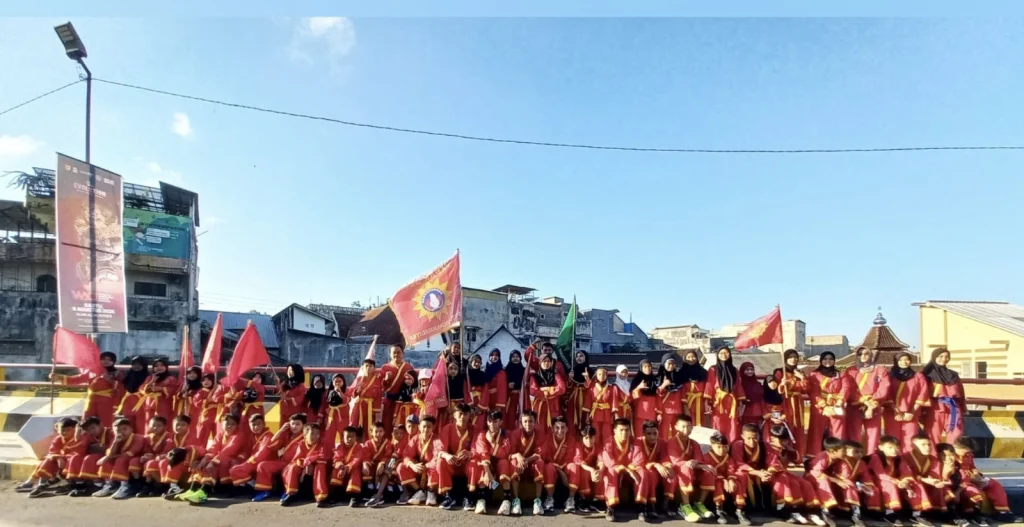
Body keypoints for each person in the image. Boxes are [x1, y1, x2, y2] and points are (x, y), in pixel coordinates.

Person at [179, 413, 249, 504]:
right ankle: (193, 489)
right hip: (222, 458)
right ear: (222, 424)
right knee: (201, 463)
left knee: (214, 465)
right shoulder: (220, 435)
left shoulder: (239, 436)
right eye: (227, 423)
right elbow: (213, 449)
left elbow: (228, 451)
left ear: (237, 426)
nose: (229, 426)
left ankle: (203, 492)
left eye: (233, 424)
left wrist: (212, 462)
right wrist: (204, 460)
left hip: (235, 460)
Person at [765, 424, 823, 525]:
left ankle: (810, 511)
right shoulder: (767, 447)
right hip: (773, 474)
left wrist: (790, 449)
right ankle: (788, 510)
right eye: (781, 440)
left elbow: (799, 461)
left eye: (785, 440)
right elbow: (772, 465)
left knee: (805, 483)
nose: (784, 442)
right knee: (792, 483)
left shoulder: (787, 448)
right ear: (772, 438)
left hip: (785, 473)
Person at [953, 437, 1021, 523]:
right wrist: (972, 480)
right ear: (957, 448)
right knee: (972, 491)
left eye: (969, 452)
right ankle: (974, 514)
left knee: (994, 484)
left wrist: (978, 476)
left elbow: (972, 467)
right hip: (961, 481)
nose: (968, 454)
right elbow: (953, 473)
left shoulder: (968, 455)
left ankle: (1002, 511)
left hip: (972, 478)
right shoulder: (951, 456)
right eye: (966, 451)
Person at [17, 418, 88, 497]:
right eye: (62, 430)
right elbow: (53, 451)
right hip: (62, 461)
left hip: (75, 462)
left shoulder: (82, 437)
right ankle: (41, 486)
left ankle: (74, 485)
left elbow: (79, 452)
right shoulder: (58, 439)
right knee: (48, 461)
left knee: (73, 461)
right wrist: (58, 458)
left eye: (68, 430)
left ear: (75, 429)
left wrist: (63, 458)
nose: (64, 432)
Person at [236, 413, 304, 493]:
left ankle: (290, 493)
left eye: (298, 424)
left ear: (303, 425)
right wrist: (281, 430)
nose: (294, 426)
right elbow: (271, 445)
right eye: (292, 424)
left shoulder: (305, 437)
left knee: (291, 468)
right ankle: (265, 490)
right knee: (262, 465)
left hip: (296, 463)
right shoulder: (287, 435)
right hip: (284, 462)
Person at [55, 351, 121, 429]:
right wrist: (58, 378)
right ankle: (86, 440)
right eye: (104, 359)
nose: (106, 361)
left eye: (109, 360)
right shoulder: (92, 371)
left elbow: (120, 390)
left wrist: (116, 405)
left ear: (113, 362)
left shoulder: (117, 374)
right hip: (91, 400)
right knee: (86, 422)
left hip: (107, 402)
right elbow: (78, 379)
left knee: (106, 424)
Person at [844, 347, 891, 455]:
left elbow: (884, 387)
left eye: (866, 353)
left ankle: (872, 458)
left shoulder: (880, 370)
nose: (863, 356)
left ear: (871, 355)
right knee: (854, 433)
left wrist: (871, 404)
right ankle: (854, 458)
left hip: (874, 405)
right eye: (860, 354)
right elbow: (848, 388)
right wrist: (862, 400)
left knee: (874, 433)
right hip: (855, 405)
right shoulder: (851, 370)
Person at [667, 414, 711, 522]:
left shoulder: (694, 443)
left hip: (691, 468)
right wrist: (691, 463)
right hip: (677, 471)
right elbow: (676, 462)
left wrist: (696, 462)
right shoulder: (671, 441)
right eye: (683, 426)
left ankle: (699, 504)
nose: (686, 429)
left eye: (688, 426)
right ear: (676, 427)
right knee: (686, 468)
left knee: (708, 470)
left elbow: (698, 458)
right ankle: (685, 506)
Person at [434, 402, 477, 511]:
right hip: (452, 463)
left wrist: (470, 453)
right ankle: (448, 496)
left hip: (466, 464)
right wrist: (447, 455)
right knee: (441, 461)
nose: (463, 417)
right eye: (460, 414)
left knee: (475, 462)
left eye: (466, 414)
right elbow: (439, 449)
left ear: (469, 415)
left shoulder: (474, 429)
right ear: (454, 415)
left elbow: (479, 448)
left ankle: (469, 496)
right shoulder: (447, 428)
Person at [601, 417, 644, 523]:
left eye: (627, 430)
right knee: (610, 472)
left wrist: (629, 470)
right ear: (615, 431)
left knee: (643, 472)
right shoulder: (609, 441)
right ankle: (611, 507)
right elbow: (609, 462)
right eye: (621, 430)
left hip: (630, 472)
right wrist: (624, 469)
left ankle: (641, 506)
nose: (624, 433)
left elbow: (639, 459)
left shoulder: (634, 441)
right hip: (618, 471)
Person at [705, 432, 752, 526]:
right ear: (712, 446)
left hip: (726, 479)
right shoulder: (707, 457)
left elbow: (731, 470)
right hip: (715, 479)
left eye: (724, 446)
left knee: (737, 484)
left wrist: (730, 480)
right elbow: (710, 472)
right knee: (718, 484)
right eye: (718, 447)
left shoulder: (729, 458)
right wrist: (724, 480)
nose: (722, 449)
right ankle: (718, 509)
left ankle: (739, 510)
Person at [470, 410, 513, 515]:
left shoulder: (506, 434)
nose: (492, 424)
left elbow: (505, 453)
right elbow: (482, 453)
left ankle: (507, 500)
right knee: (480, 463)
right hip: (487, 464)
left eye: (495, 421)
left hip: (499, 462)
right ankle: (481, 500)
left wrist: (492, 442)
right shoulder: (481, 434)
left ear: (500, 422)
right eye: (490, 421)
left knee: (504, 462)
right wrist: (488, 473)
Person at [807, 352, 849, 456]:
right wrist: (824, 406)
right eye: (825, 359)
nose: (828, 361)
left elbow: (846, 388)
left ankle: (837, 455)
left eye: (830, 359)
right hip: (819, 407)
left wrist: (839, 403)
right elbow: (813, 392)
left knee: (838, 431)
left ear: (834, 361)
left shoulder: (841, 374)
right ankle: (814, 456)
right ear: (821, 361)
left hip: (836, 405)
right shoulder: (814, 375)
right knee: (816, 432)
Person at [921, 348, 966, 446]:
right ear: (934, 357)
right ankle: (934, 459)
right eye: (940, 356)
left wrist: (963, 408)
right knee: (932, 434)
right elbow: (921, 392)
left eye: (946, 357)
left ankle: (952, 458)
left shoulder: (953, 375)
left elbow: (961, 393)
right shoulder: (926, 374)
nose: (944, 359)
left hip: (953, 408)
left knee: (956, 434)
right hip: (935, 407)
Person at [93, 417, 146, 499]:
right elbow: (110, 453)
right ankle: (110, 485)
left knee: (119, 460)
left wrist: (109, 457)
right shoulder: (116, 439)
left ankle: (125, 486)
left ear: (131, 429)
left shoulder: (138, 438)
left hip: (137, 459)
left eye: (124, 429)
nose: (121, 432)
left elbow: (130, 453)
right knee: (108, 461)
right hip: (123, 458)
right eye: (117, 430)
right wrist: (115, 443)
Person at [886, 352, 929, 452]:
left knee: (910, 439)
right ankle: (894, 464)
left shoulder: (918, 376)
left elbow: (923, 394)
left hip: (912, 413)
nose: (904, 362)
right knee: (893, 440)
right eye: (900, 360)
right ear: (896, 362)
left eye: (907, 359)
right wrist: (896, 411)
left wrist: (912, 412)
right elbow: (887, 394)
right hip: (892, 413)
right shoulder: (889, 376)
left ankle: (908, 464)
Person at [900, 433, 945, 527]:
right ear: (913, 446)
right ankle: (917, 514)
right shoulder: (905, 457)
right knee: (917, 485)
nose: (927, 447)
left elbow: (935, 474)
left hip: (926, 483)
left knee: (941, 487)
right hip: (908, 484)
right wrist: (923, 479)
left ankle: (933, 513)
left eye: (929, 444)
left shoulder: (933, 459)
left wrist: (934, 481)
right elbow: (907, 474)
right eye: (923, 445)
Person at [635, 419, 675, 521]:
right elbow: (639, 462)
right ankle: (642, 506)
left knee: (671, 474)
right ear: (643, 433)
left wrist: (668, 467)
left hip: (655, 470)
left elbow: (665, 458)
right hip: (639, 469)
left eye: (655, 433)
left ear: (658, 432)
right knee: (647, 474)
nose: (652, 436)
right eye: (648, 434)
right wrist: (656, 464)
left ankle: (666, 505)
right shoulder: (638, 441)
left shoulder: (662, 442)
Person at [277, 422, 326, 507]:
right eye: (312, 433)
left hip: (316, 465)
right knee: (292, 467)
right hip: (305, 466)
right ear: (305, 435)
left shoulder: (322, 444)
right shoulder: (301, 444)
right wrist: (305, 465)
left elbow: (322, 456)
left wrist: (309, 462)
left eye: (317, 433)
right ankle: (291, 493)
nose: (315, 436)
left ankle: (320, 497)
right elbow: (297, 458)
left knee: (320, 466)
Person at [804, 436, 849, 527]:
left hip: (826, 478)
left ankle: (843, 509)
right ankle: (825, 511)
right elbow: (816, 472)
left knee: (843, 484)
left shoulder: (839, 459)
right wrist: (836, 480)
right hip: (813, 478)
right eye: (843, 451)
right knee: (823, 481)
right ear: (833, 451)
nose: (845, 453)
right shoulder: (823, 456)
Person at [508, 410, 546, 516]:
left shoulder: (540, 434)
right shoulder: (515, 434)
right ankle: (516, 500)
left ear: (535, 422)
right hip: (519, 464)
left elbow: (539, 453)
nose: (527, 424)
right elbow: (511, 453)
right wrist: (518, 456)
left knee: (540, 462)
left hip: (531, 463)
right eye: (525, 422)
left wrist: (526, 460)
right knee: (514, 462)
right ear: (521, 422)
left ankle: (538, 500)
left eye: (530, 421)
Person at [704, 347, 746, 441]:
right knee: (718, 422)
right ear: (717, 355)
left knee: (732, 424)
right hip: (718, 401)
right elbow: (709, 385)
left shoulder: (734, 370)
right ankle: (718, 444)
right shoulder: (713, 369)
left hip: (732, 402)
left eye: (726, 352)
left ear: (730, 355)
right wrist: (707, 402)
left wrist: (741, 403)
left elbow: (738, 386)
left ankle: (731, 444)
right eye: (721, 353)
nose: (724, 355)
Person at [156, 414, 202, 499]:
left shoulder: (192, 437)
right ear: (173, 425)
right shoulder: (171, 438)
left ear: (188, 426)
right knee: (163, 462)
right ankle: (168, 486)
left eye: (182, 425)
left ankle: (175, 488)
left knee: (173, 464)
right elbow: (167, 452)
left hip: (189, 461)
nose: (179, 427)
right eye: (177, 425)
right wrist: (162, 456)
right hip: (175, 460)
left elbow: (194, 452)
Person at [833, 441, 877, 527]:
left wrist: (866, 485)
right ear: (846, 451)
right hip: (840, 485)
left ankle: (873, 512)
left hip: (854, 484)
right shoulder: (842, 461)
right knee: (850, 489)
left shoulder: (861, 463)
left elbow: (866, 476)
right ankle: (856, 514)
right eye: (856, 452)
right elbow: (842, 476)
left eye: (861, 452)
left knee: (874, 490)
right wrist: (856, 485)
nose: (860, 454)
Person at [398, 415, 439, 507]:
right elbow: (406, 455)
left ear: (433, 428)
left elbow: (438, 456)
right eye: (424, 426)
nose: (426, 429)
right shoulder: (415, 438)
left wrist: (427, 465)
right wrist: (413, 465)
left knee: (438, 464)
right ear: (419, 427)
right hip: (419, 469)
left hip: (430, 469)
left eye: (429, 427)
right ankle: (420, 491)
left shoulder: (437, 439)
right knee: (401, 466)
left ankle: (431, 492)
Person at [130, 415, 174, 498]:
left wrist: (153, 457)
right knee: (134, 461)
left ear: (165, 427)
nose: (155, 428)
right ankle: (139, 485)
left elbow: (167, 451)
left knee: (150, 463)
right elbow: (145, 450)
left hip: (162, 458)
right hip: (151, 458)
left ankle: (159, 486)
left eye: (158, 426)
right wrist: (145, 456)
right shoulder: (147, 437)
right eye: (153, 425)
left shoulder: (169, 436)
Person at [66, 416, 110, 497]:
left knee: (90, 458)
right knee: (75, 458)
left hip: (109, 456)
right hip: (96, 455)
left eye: (93, 428)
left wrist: (103, 449)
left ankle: (98, 485)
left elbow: (114, 447)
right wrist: (77, 436)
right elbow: (81, 449)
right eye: (88, 430)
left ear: (100, 424)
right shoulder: (88, 435)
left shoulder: (110, 432)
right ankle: (80, 484)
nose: (91, 431)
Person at [870, 435, 909, 526]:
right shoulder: (876, 457)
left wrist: (904, 481)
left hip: (892, 481)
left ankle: (916, 513)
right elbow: (880, 474)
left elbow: (906, 471)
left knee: (912, 485)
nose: (894, 450)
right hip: (875, 481)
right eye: (890, 447)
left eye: (896, 447)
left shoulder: (898, 458)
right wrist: (896, 481)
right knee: (888, 484)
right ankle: (889, 512)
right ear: (881, 447)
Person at [541, 416, 577, 514]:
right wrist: (560, 472)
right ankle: (549, 498)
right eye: (557, 427)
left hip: (565, 466)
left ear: (567, 429)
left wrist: (562, 470)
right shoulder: (547, 439)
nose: (560, 430)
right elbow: (546, 457)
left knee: (574, 467)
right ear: (552, 428)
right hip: (553, 467)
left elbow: (570, 457)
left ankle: (571, 500)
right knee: (548, 467)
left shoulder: (571, 439)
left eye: (563, 427)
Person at [328, 425, 367, 507]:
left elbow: (357, 460)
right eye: (347, 437)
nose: (350, 439)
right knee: (336, 470)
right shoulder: (340, 447)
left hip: (352, 469)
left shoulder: (359, 447)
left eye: (352, 437)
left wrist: (347, 467)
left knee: (356, 471)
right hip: (342, 469)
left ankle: (354, 497)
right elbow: (337, 459)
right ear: (343, 437)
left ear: (356, 437)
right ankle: (336, 494)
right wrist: (341, 467)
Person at [779, 349, 808, 457]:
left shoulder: (800, 372)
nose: (793, 359)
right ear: (786, 358)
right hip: (785, 401)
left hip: (797, 402)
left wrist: (802, 378)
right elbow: (777, 388)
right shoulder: (780, 371)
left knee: (798, 427)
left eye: (795, 357)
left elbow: (806, 389)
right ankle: (785, 455)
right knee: (787, 425)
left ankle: (798, 455)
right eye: (790, 357)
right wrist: (783, 384)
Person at [381, 344, 415, 435]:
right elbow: (381, 386)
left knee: (402, 423)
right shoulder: (385, 367)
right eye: (394, 353)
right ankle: (388, 445)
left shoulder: (408, 367)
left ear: (403, 353)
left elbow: (414, 384)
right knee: (387, 423)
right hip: (389, 401)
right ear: (390, 354)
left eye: (398, 352)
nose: (396, 355)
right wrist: (386, 379)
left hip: (403, 401)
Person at [529, 353, 566, 436]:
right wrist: (551, 389)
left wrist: (547, 390)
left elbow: (562, 388)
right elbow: (533, 391)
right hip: (539, 407)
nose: (546, 363)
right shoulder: (534, 376)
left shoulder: (555, 375)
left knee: (552, 428)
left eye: (548, 361)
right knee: (539, 429)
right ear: (540, 363)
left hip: (552, 407)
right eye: (544, 361)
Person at [139, 358, 178, 433]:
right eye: (156, 366)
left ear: (166, 367)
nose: (159, 367)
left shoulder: (171, 379)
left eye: (161, 365)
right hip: (150, 404)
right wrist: (151, 382)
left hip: (164, 404)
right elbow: (142, 389)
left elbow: (174, 390)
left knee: (164, 421)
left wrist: (161, 389)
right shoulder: (150, 377)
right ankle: (149, 441)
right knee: (149, 422)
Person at [361, 421, 395, 505]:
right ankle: (369, 492)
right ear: (371, 432)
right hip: (372, 466)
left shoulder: (388, 443)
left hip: (382, 467)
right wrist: (365, 464)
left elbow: (387, 455)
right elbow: (365, 457)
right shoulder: (368, 443)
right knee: (362, 467)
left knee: (390, 464)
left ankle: (379, 494)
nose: (378, 434)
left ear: (384, 432)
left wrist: (382, 463)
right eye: (376, 431)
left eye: (380, 431)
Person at [350, 359, 384, 433]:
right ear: (362, 367)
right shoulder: (359, 379)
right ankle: (353, 442)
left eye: (371, 366)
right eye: (366, 366)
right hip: (359, 404)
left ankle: (368, 443)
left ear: (374, 368)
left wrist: (375, 410)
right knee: (354, 424)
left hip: (370, 406)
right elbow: (351, 392)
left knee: (369, 426)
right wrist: (357, 391)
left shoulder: (377, 380)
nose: (368, 368)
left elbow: (379, 395)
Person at [656, 354, 685, 439]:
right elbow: (656, 395)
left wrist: (684, 408)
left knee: (677, 433)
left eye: (673, 364)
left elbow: (682, 393)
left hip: (677, 410)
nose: (671, 366)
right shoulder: (659, 378)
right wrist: (663, 386)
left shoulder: (678, 377)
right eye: (669, 364)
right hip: (664, 410)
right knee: (663, 433)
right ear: (664, 364)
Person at [118, 356, 150, 433]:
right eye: (134, 364)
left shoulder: (147, 377)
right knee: (128, 422)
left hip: (141, 401)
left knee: (141, 423)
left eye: (139, 364)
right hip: (129, 401)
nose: (136, 366)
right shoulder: (129, 375)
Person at [585, 367, 615, 447]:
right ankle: (596, 451)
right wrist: (587, 415)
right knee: (596, 433)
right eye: (599, 374)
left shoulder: (611, 388)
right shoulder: (592, 388)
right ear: (596, 376)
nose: (602, 376)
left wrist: (613, 414)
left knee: (607, 433)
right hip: (595, 414)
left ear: (606, 376)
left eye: (604, 374)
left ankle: (608, 450)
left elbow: (613, 402)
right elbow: (588, 401)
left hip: (607, 414)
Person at [630, 359, 660, 438]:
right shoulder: (636, 380)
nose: (648, 368)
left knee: (652, 434)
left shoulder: (654, 380)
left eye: (649, 366)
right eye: (645, 366)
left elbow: (658, 396)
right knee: (640, 434)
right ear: (641, 368)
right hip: (641, 411)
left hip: (653, 411)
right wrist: (639, 387)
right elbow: (632, 397)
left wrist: (659, 412)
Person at [679, 350, 707, 428]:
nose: (691, 359)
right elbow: (680, 390)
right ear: (685, 359)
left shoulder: (704, 372)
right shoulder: (681, 373)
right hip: (688, 403)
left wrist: (707, 402)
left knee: (702, 422)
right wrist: (685, 406)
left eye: (693, 357)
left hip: (701, 402)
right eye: (689, 357)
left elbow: (708, 387)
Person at [567, 350, 593, 432]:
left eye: (581, 356)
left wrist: (587, 379)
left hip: (586, 397)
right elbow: (568, 387)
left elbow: (594, 387)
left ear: (586, 358)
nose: (578, 358)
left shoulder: (590, 371)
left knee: (585, 417)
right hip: (574, 398)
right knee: (572, 418)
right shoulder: (572, 370)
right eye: (577, 356)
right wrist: (570, 378)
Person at [324, 373, 350, 447]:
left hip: (343, 416)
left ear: (343, 382)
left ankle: (344, 452)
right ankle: (328, 454)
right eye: (336, 381)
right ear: (332, 382)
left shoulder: (346, 391)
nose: (338, 383)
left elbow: (346, 400)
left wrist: (339, 392)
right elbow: (326, 403)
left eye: (340, 381)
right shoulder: (329, 392)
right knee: (329, 434)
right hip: (331, 415)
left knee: (344, 434)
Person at [192, 373, 218, 445]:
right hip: (206, 415)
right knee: (202, 434)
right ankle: (200, 450)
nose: (206, 382)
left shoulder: (218, 389)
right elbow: (197, 402)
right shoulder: (201, 392)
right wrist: (209, 400)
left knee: (217, 435)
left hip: (218, 415)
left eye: (209, 380)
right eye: (204, 380)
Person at [467, 354, 491, 432]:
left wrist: (480, 407)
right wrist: (469, 406)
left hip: (480, 403)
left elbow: (486, 391)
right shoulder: (466, 375)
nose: (477, 364)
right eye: (475, 361)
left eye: (479, 362)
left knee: (479, 425)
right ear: (471, 362)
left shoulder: (483, 375)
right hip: (469, 402)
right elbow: (465, 390)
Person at [503, 351, 525, 431]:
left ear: (520, 358)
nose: (515, 358)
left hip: (521, 397)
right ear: (510, 358)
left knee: (521, 416)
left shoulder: (524, 370)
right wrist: (507, 386)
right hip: (510, 398)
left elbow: (527, 384)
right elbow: (502, 384)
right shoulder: (506, 371)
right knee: (510, 417)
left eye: (517, 356)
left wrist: (519, 390)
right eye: (513, 357)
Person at [738, 361, 764, 430]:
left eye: (752, 369)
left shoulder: (757, 383)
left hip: (757, 410)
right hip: (744, 411)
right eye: (747, 370)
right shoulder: (739, 384)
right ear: (742, 371)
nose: (750, 371)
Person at [484, 349, 508, 418]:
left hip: (496, 399)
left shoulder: (501, 372)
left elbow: (502, 389)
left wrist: (499, 405)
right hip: (487, 398)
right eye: (492, 355)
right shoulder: (486, 369)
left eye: (496, 355)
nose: (494, 357)